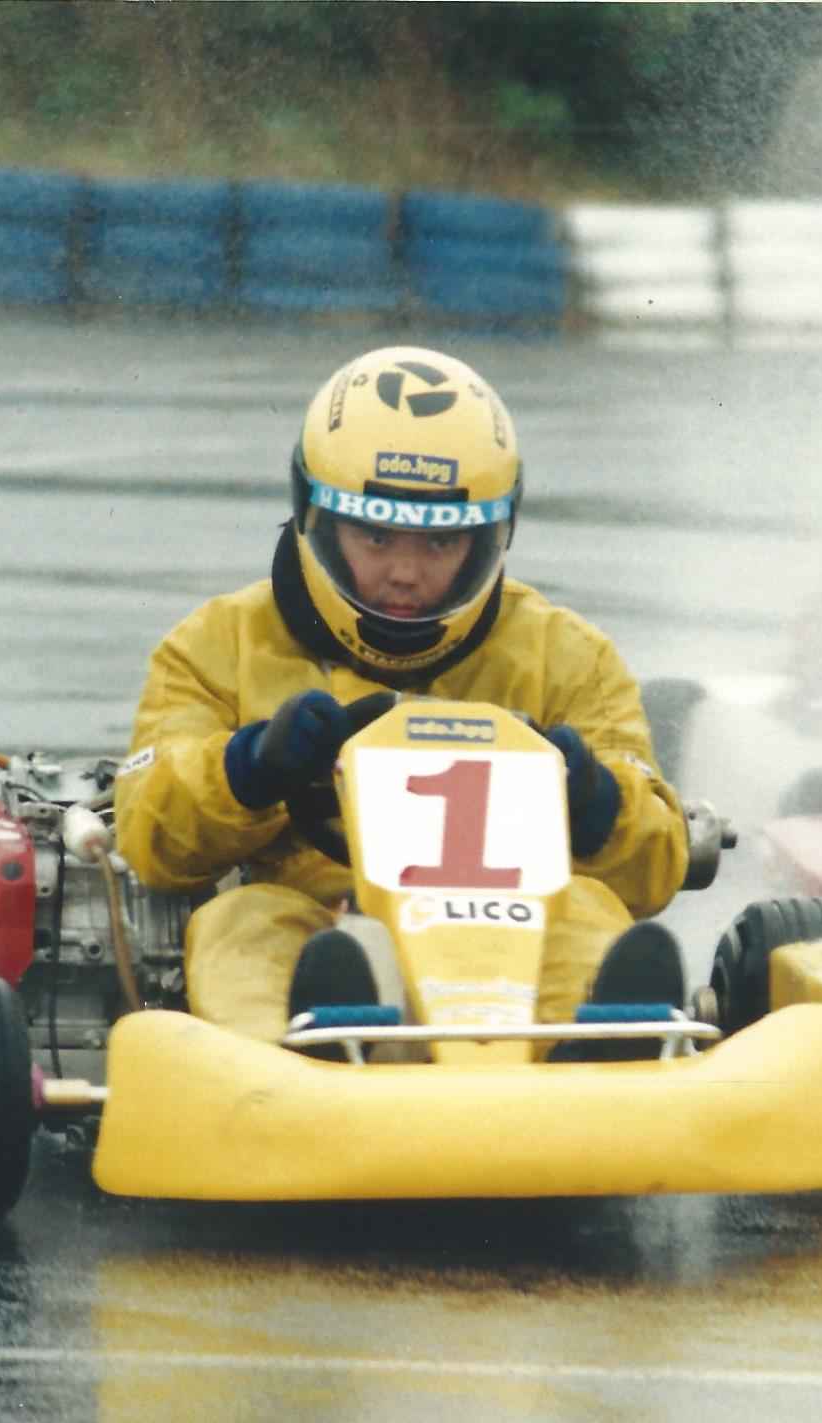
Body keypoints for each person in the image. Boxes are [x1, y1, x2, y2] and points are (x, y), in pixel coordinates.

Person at [114, 344, 691, 1058]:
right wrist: (251, 767)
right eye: (376, 534)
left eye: (441, 541)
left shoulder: (565, 655)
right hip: (310, 914)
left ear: (492, 533)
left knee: (588, 907)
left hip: (509, 927)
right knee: (241, 922)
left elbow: (659, 864)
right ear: (317, 516)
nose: (405, 574)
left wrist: (593, 798)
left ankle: (597, 1049)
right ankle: (299, 1050)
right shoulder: (216, 645)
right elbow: (148, 839)